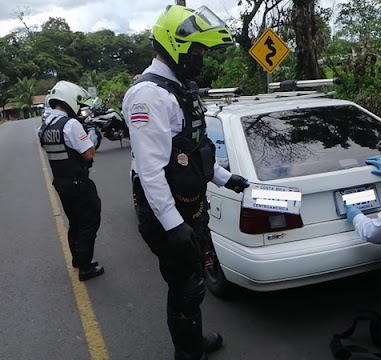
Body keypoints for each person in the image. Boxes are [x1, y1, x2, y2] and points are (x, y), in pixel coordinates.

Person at [122, 4, 249, 360]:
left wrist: (224, 178)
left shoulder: (179, 89)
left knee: (192, 279)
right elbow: (150, 169)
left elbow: (193, 149)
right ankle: (188, 352)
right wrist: (173, 224)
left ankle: (193, 342)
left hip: (187, 201)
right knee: (184, 285)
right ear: (173, 44)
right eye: (196, 50)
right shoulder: (150, 95)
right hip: (167, 210)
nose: (200, 59)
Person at [38, 80, 105, 282]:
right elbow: (88, 154)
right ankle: (85, 267)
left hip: (61, 182)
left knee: (74, 222)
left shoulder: (45, 126)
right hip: (79, 183)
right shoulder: (71, 124)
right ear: (70, 101)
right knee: (89, 221)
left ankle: (78, 259)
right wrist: (92, 136)